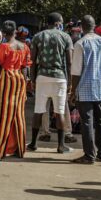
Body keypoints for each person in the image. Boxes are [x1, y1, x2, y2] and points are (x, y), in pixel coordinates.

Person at [28, 12, 74, 154]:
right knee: (59, 111)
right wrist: (70, 81)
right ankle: (61, 146)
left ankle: (33, 143)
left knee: (38, 110)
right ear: (58, 23)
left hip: (42, 77)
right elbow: (70, 62)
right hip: (60, 77)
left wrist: (33, 79)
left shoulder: (38, 37)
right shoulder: (66, 37)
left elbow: (33, 61)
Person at [69, 16, 101, 164]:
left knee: (87, 122)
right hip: (100, 87)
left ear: (82, 27)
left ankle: (89, 155)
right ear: (94, 26)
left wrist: (73, 92)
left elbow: (76, 71)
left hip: (84, 87)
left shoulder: (81, 44)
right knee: (100, 121)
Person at [0, 21, 31, 160]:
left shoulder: (4, 47)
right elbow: (26, 67)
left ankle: (1, 150)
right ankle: (20, 148)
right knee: (19, 115)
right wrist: (27, 84)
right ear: (15, 31)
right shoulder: (24, 46)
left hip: (7, 78)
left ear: (3, 33)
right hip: (20, 79)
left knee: (5, 115)